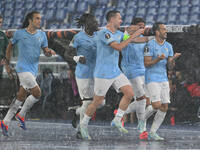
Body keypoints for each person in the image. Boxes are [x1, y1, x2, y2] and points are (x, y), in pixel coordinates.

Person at [79, 10, 144, 140]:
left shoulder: (119, 33)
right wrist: (133, 35)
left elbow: (131, 41)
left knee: (130, 93)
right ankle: (83, 125)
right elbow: (119, 47)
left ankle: (117, 119)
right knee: (97, 101)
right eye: (119, 18)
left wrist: (147, 36)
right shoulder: (104, 33)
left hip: (115, 71)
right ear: (111, 20)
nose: (121, 21)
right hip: (103, 72)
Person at [0, 11, 56, 136]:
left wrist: (48, 52)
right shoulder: (20, 33)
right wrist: (8, 64)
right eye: (37, 19)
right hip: (22, 69)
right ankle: (21, 115)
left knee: (20, 97)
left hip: (33, 70)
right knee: (37, 93)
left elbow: (45, 50)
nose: (39, 21)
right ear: (30, 20)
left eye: (40, 19)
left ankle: (5, 122)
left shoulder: (42, 34)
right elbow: (10, 46)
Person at [69, 13, 105, 139]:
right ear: (87, 24)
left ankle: (76, 111)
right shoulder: (78, 37)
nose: (97, 24)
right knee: (87, 102)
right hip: (83, 74)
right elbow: (68, 53)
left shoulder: (99, 36)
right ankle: (81, 131)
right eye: (94, 22)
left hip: (97, 74)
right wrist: (78, 57)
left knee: (101, 103)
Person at [144, 22, 181, 140]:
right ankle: (141, 119)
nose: (166, 31)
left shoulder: (169, 46)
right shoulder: (149, 45)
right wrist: (157, 59)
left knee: (164, 106)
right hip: (151, 77)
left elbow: (170, 67)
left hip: (163, 78)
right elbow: (146, 63)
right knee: (156, 105)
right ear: (157, 32)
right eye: (163, 29)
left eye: (166, 29)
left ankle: (152, 133)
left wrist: (173, 59)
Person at [121, 18, 151, 139]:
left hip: (142, 70)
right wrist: (134, 31)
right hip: (130, 70)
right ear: (133, 26)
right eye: (139, 26)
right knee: (142, 99)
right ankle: (142, 129)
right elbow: (126, 39)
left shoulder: (144, 39)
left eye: (143, 26)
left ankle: (121, 112)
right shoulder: (126, 35)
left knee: (147, 102)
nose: (141, 28)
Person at [0, 15, 9, 79]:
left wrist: (4, 59)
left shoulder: (3, 35)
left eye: (0, 22)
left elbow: (8, 48)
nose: (0, 24)